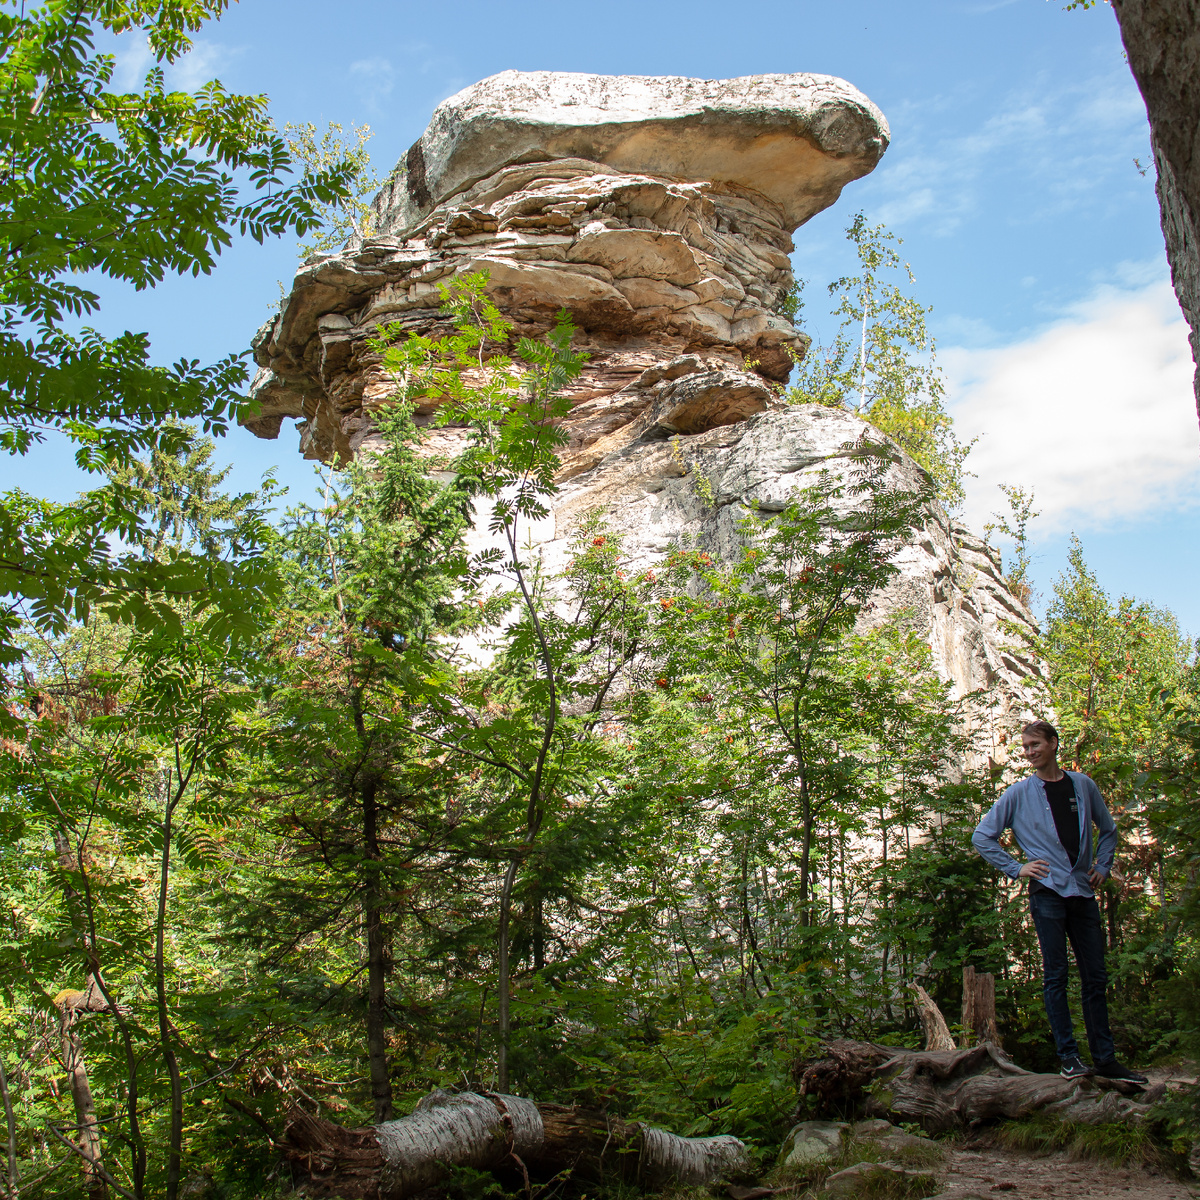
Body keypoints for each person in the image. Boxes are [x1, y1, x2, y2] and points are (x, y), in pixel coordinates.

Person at [971, 720, 1148, 1083]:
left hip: (1082, 891)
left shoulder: (1082, 785)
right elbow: (982, 836)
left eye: (1035, 744)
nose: (1029, 751)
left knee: (1095, 977)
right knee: (1056, 975)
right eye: (1025, 747)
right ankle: (1068, 1058)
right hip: (1047, 892)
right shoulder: (1019, 793)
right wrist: (1016, 868)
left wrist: (1103, 864)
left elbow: (1109, 829)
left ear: (1053, 744)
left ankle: (1105, 1059)